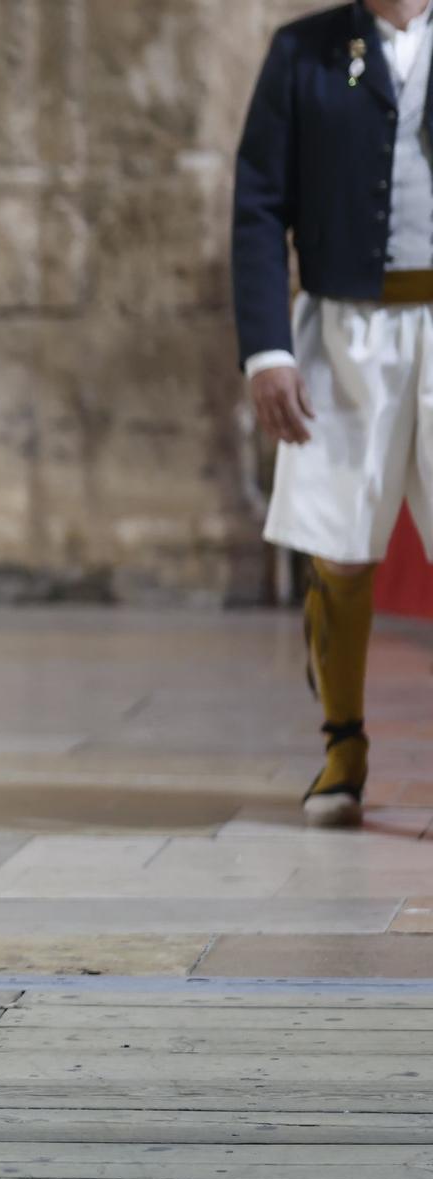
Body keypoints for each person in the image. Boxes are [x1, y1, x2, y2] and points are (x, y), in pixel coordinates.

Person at [236, 0, 433, 826]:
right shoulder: (304, 51)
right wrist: (267, 351)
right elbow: (258, 205)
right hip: (343, 329)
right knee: (340, 546)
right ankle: (343, 750)